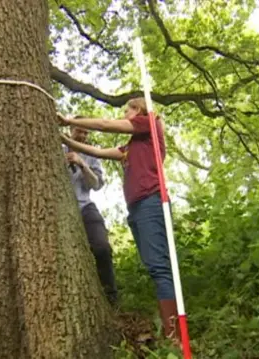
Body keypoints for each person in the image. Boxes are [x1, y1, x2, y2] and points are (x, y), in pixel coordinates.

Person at [57, 98, 179, 341]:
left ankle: (174, 334)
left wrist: (68, 120)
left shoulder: (149, 125)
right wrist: (63, 138)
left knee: (159, 267)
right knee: (153, 266)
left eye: (128, 109)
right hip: (135, 208)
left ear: (139, 110)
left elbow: (104, 124)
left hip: (150, 202)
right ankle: (170, 330)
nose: (125, 113)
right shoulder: (130, 147)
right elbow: (96, 151)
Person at [62, 122, 119, 307]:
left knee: (102, 247)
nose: (82, 136)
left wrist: (82, 163)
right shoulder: (56, 148)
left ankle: (110, 295)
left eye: (86, 133)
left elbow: (96, 184)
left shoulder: (92, 154)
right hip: (62, 209)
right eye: (79, 131)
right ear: (71, 130)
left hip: (85, 207)